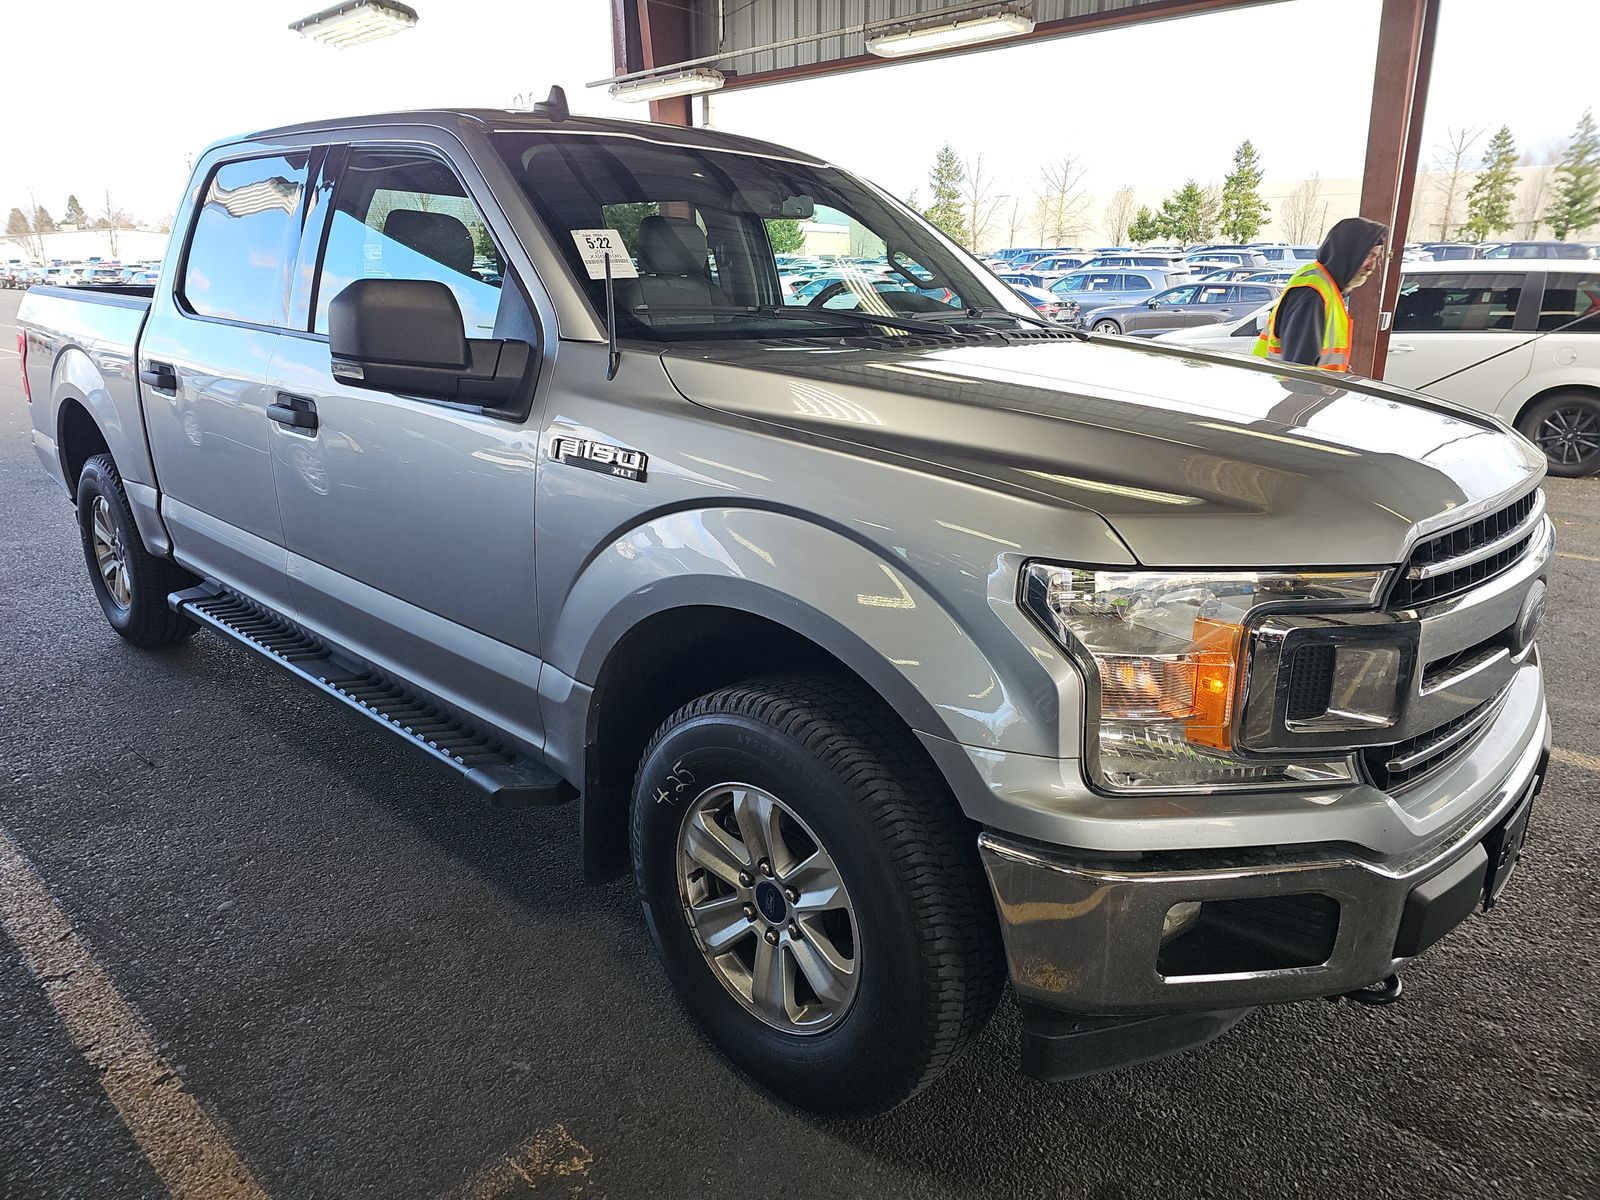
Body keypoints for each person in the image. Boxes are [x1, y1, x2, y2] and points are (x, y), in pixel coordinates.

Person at [1253, 217, 1387, 372]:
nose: (1371, 266)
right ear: (1347, 254)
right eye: (1367, 256)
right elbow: (1300, 374)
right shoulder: (1312, 294)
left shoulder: (1324, 286)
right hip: (1296, 392)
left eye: (1375, 257)